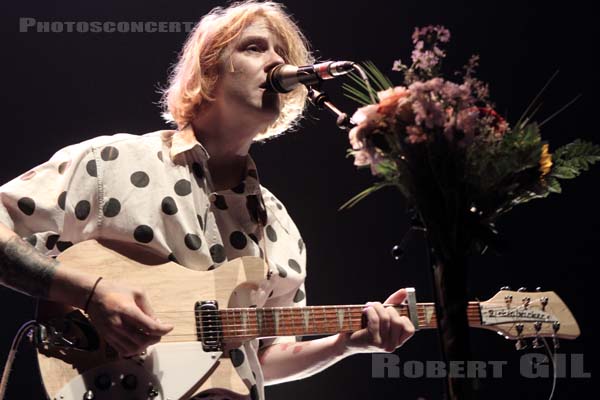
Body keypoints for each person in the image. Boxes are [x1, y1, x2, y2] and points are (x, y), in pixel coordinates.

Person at [0, 1, 414, 399]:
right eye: (254, 47)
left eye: (282, 52)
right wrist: (89, 292)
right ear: (209, 70)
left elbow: (263, 357)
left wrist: (344, 344)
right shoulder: (109, 163)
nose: (277, 63)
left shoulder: (279, 225)